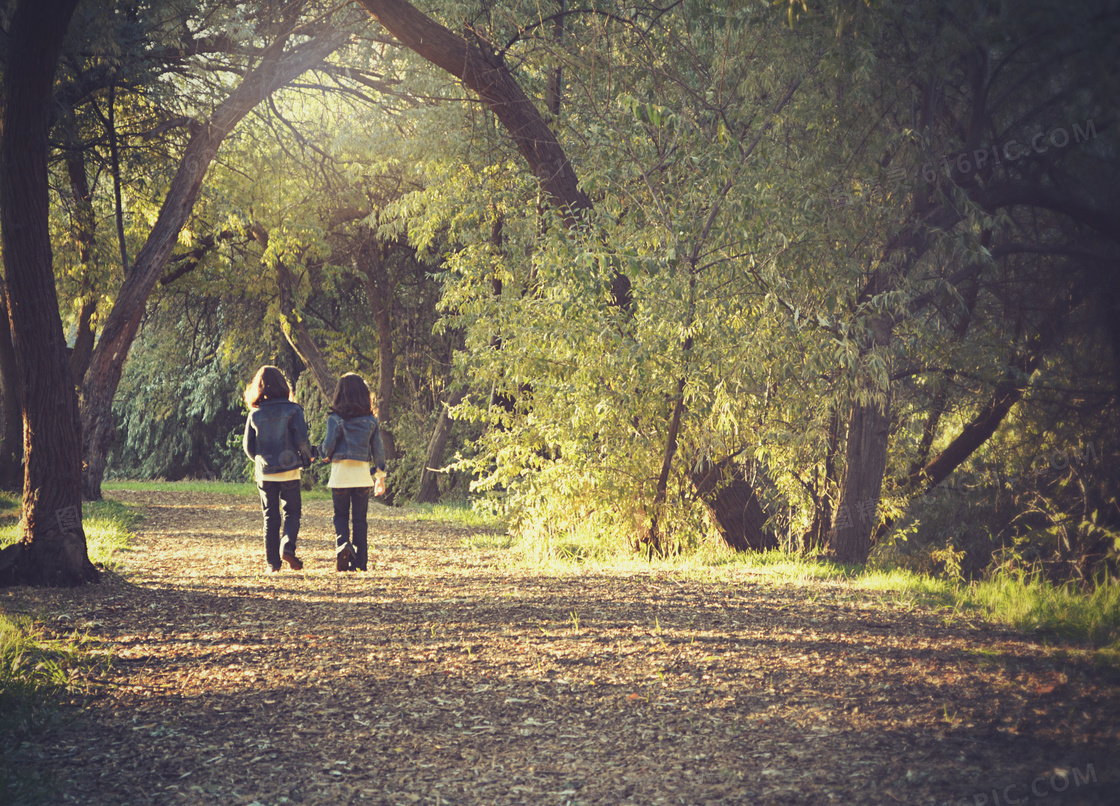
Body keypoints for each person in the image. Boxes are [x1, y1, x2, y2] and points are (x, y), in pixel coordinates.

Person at [243, 366, 315, 572]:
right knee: (292, 513)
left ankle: (272, 564)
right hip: (290, 469)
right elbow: (302, 440)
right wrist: (307, 460)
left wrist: (261, 461)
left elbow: (248, 448)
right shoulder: (294, 410)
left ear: (258, 387)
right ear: (283, 384)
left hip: (265, 472)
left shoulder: (254, 414)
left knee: (270, 517)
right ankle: (287, 546)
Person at [318, 373, 387, 572]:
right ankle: (361, 562)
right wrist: (379, 478)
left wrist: (323, 454)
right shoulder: (371, 421)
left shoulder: (335, 419)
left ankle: (343, 545)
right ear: (364, 395)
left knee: (340, 516)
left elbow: (328, 446)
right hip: (362, 477)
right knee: (360, 520)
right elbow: (378, 451)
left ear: (340, 395)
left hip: (340, 475)